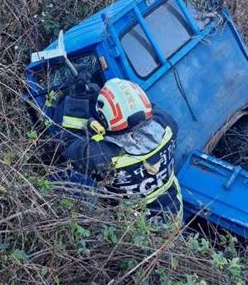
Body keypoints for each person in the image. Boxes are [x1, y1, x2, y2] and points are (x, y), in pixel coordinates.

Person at [52, 76, 182, 216]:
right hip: (174, 213)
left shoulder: (105, 157)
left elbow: (69, 142)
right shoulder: (168, 126)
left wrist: (78, 99)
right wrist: (102, 98)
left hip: (137, 230)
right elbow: (146, 108)